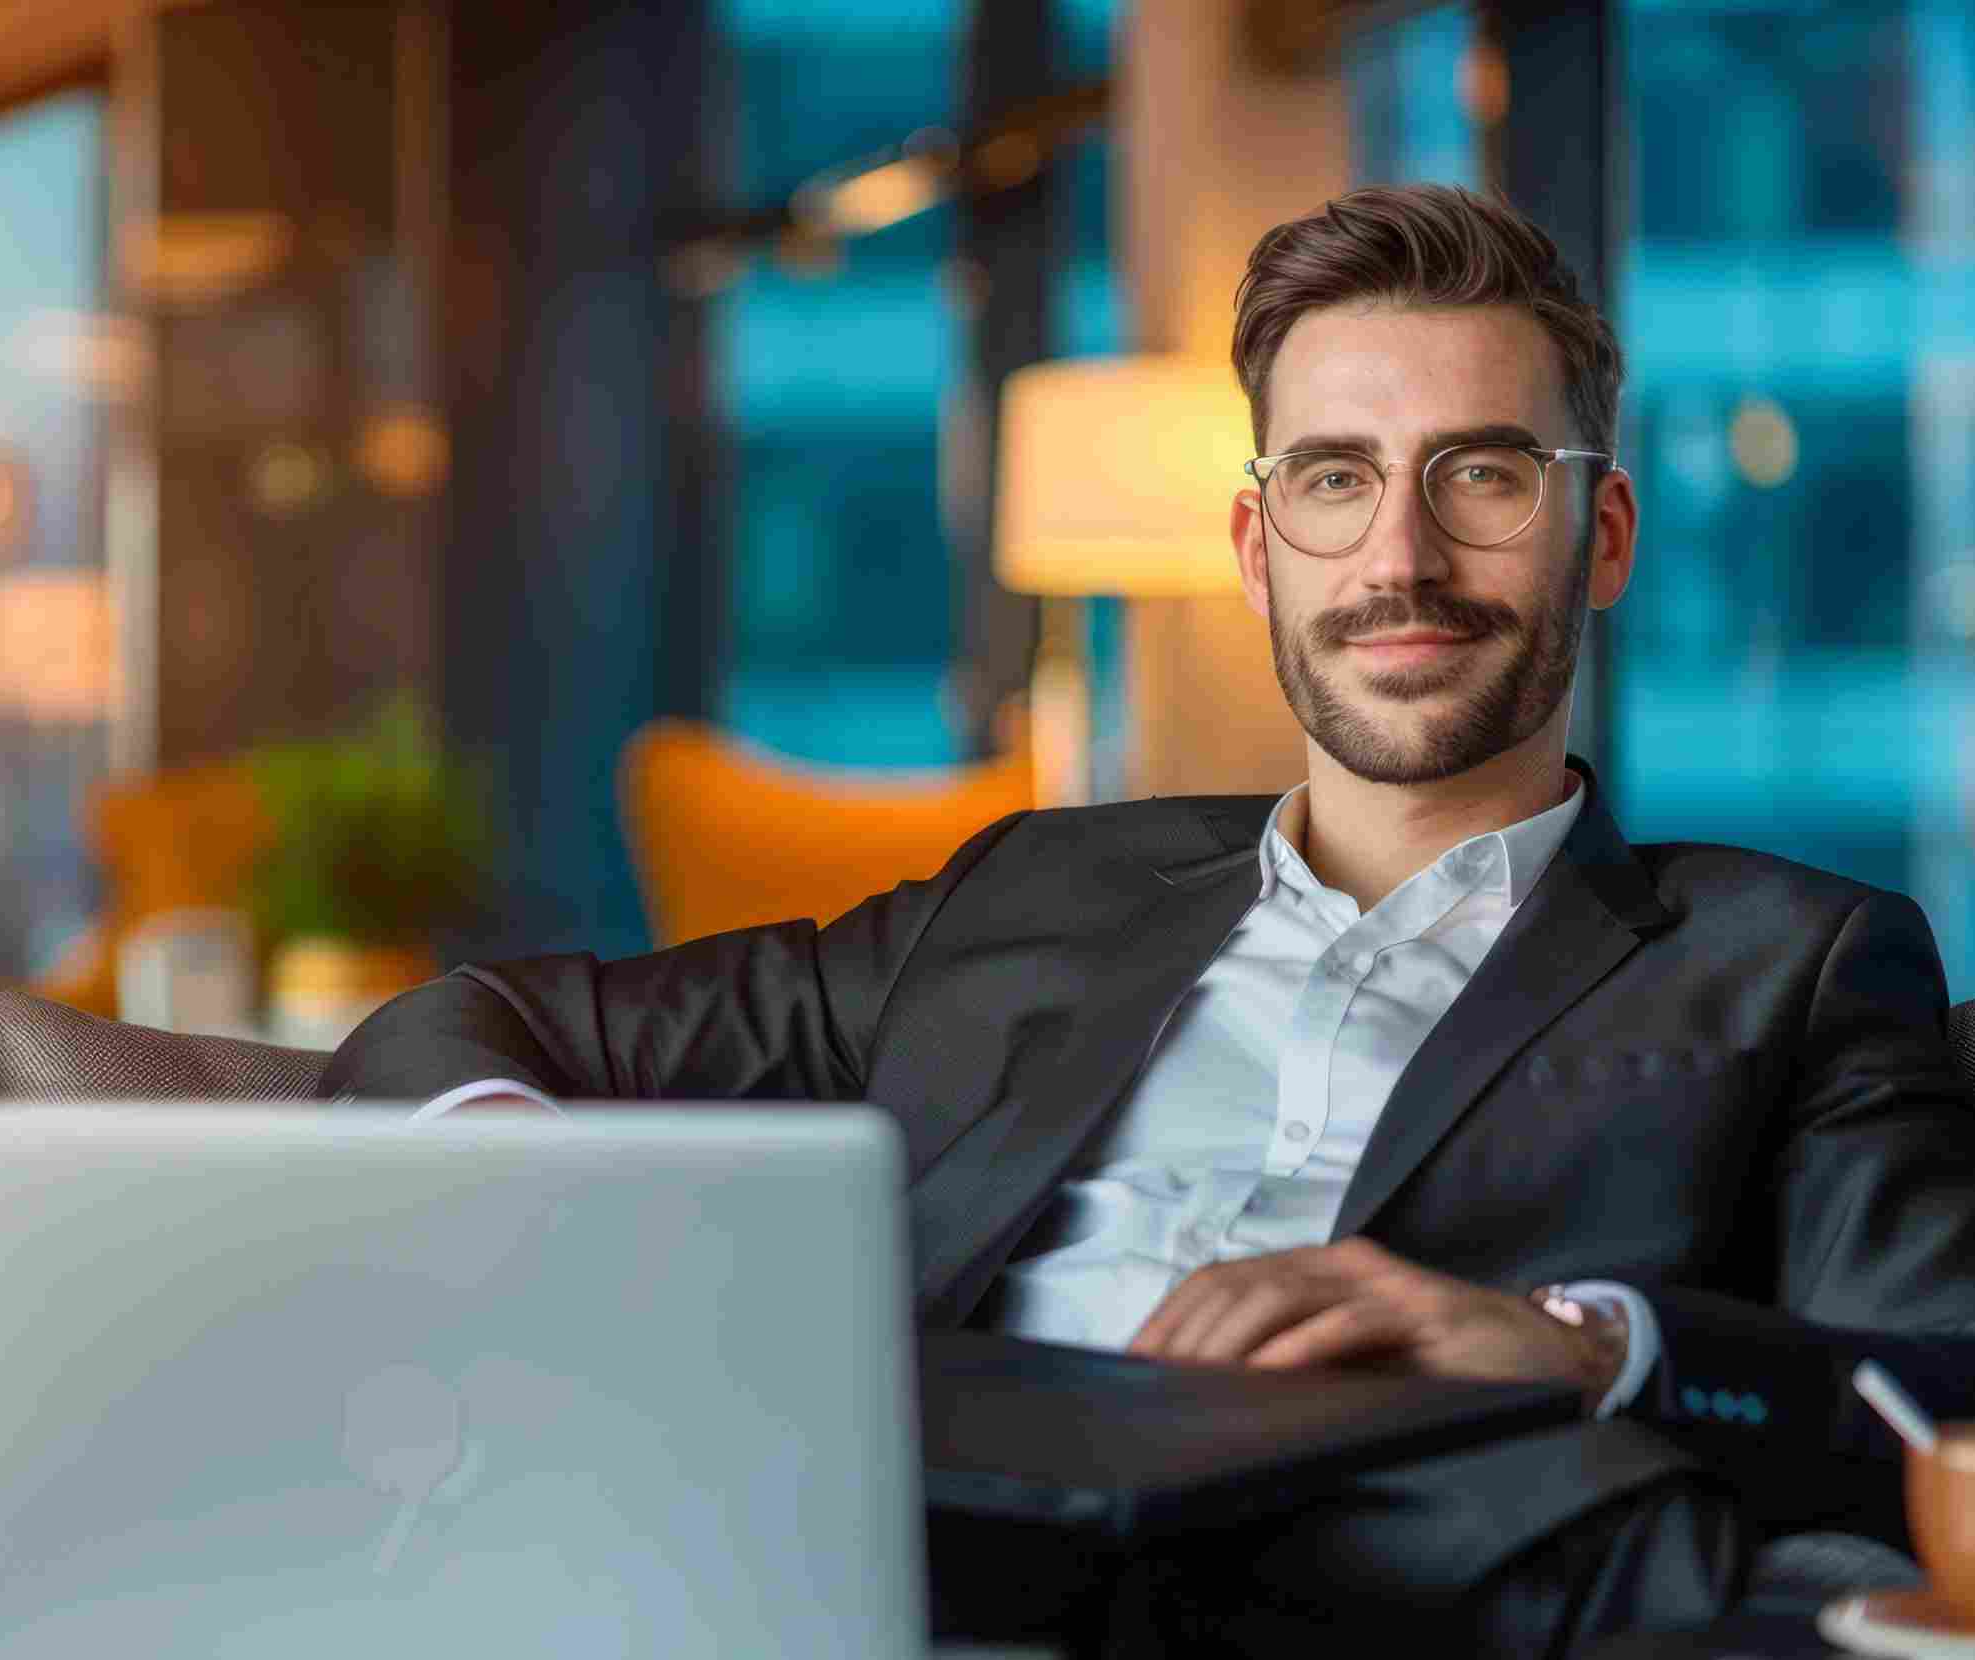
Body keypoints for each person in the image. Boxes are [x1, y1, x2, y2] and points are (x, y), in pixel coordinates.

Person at [326, 183, 1975, 1646]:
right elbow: (473, 1023)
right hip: (866, 1558)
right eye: (1335, 477)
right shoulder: (1032, 890)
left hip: (1407, 1586)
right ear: (1259, 548)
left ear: (1597, 536)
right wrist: (532, 1234)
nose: (1399, 555)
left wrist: (1574, 1343)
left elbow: (1930, 1396)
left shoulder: (1789, 958)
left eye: (1480, 472)